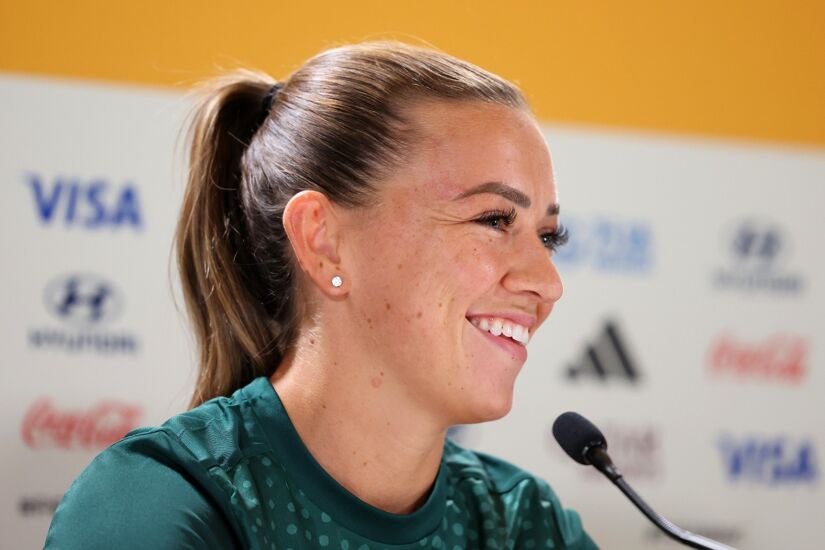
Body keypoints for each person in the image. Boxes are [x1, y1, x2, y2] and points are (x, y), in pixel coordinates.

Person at [45, 41, 597, 549]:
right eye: (494, 219)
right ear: (324, 242)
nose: (548, 283)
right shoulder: (160, 504)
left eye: (549, 237)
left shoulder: (525, 522)